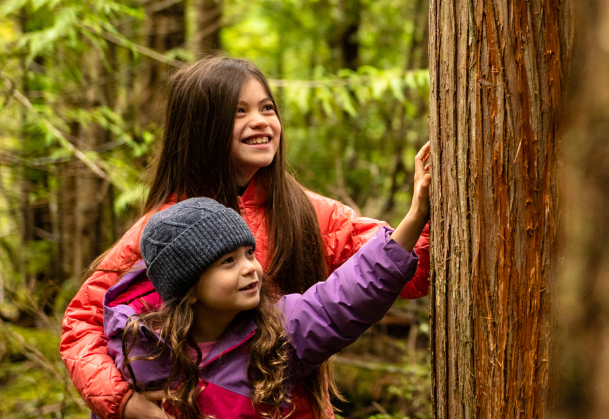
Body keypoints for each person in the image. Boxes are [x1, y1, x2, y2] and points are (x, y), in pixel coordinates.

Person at [60, 57, 432, 419]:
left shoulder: (310, 213)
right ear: (202, 127)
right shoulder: (165, 231)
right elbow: (83, 324)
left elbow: (407, 269)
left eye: (267, 108)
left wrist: (429, 203)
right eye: (239, 112)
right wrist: (124, 403)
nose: (260, 122)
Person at [102, 195, 426, 419]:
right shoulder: (141, 351)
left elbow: (347, 295)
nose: (249, 268)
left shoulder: (278, 333)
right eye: (228, 261)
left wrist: (415, 216)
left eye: (249, 253)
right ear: (190, 288)